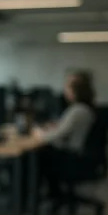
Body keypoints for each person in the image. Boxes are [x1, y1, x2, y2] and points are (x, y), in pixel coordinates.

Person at [33, 73, 97, 202]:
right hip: (76, 154)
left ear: (76, 92)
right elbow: (64, 128)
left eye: (68, 89)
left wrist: (40, 134)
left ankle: (32, 199)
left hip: (70, 157)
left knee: (35, 157)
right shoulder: (84, 109)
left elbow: (59, 133)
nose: (66, 92)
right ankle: (53, 193)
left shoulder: (78, 110)